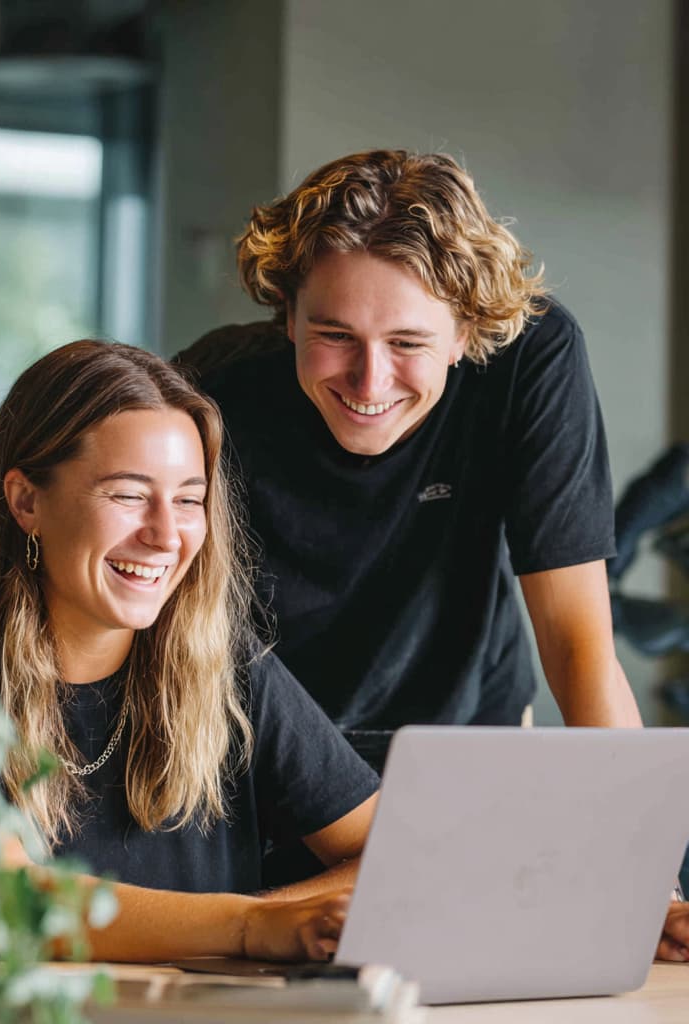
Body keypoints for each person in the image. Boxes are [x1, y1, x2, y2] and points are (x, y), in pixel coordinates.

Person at [0, 339, 381, 963]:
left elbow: (394, 853)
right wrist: (248, 927)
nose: (166, 535)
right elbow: (0, 897)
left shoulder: (223, 666)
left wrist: (276, 918)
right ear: (27, 501)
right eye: (129, 495)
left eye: (188, 500)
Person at [179, 149, 642, 772]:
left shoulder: (529, 360)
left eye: (407, 343)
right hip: (270, 744)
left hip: (470, 729)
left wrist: (637, 821)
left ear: (464, 334)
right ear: (288, 314)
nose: (370, 383)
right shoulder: (212, 391)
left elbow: (575, 642)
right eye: (336, 335)